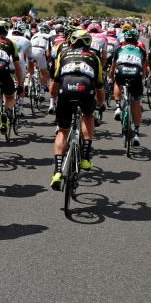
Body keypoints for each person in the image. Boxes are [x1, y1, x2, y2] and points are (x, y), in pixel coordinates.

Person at [49, 29, 104, 190]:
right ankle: (85, 157)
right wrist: (100, 104)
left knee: (62, 131)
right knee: (88, 116)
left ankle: (58, 171)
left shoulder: (63, 54)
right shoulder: (94, 57)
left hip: (66, 88)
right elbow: (100, 85)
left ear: (71, 42)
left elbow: (55, 80)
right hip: (85, 88)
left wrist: (53, 98)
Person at [110, 28, 146, 146]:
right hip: (136, 72)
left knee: (117, 82)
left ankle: (118, 107)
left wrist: (111, 77)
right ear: (136, 40)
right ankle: (136, 133)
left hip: (121, 70)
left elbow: (114, 66)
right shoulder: (141, 49)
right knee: (136, 103)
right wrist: (143, 78)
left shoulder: (119, 48)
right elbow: (144, 67)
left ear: (125, 39)